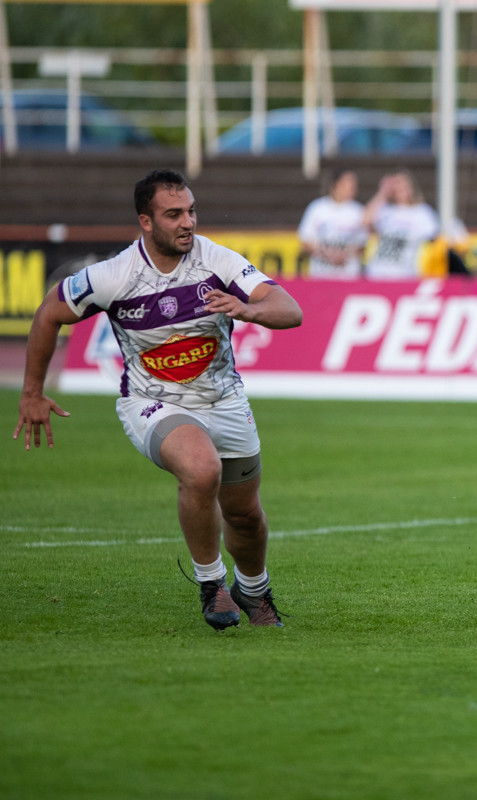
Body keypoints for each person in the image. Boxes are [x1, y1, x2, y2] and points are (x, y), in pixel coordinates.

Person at [13, 169, 304, 631]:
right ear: (145, 222)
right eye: (174, 214)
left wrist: (249, 309)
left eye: (191, 211)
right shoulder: (114, 275)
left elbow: (291, 309)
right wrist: (32, 392)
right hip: (152, 402)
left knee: (245, 515)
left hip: (224, 399)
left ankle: (253, 589)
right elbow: (50, 312)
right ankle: (212, 584)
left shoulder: (218, 260)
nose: (187, 222)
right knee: (201, 469)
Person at [363, 170, 440, 280]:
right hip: (377, 273)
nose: (400, 189)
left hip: (405, 274)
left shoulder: (422, 212)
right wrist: (383, 192)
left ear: (411, 188)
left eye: (403, 185)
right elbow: (366, 221)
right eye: (396, 185)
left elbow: (434, 238)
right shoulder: (385, 209)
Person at [297, 168, 369, 279]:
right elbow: (305, 242)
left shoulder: (358, 211)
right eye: (347, 182)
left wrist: (344, 255)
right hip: (320, 276)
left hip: (349, 277)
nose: (352, 186)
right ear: (335, 185)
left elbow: (362, 245)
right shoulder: (317, 208)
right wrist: (327, 255)